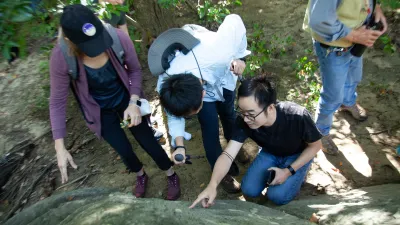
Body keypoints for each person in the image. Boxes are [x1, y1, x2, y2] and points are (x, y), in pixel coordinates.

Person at [49, 4, 180, 200]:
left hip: (126, 99)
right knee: (123, 150)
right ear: (70, 41)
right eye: (89, 45)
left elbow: (135, 70)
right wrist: (59, 146)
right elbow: (58, 101)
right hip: (99, 110)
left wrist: (134, 101)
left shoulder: (117, 37)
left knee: (147, 140)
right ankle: (140, 174)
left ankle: (171, 173)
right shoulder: (61, 57)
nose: (97, 48)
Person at [148, 14, 250, 193]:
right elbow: (174, 116)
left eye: (194, 111)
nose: (191, 116)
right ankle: (222, 173)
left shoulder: (219, 52)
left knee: (228, 115)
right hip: (199, 80)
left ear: (202, 94)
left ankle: (235, 146)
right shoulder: (167, 83)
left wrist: (241, 58)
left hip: (224, 76)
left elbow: (234, 20)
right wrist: (179, 145)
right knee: (209, 127)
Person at [190, 76, 322, 207]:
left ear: (270, 108)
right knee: (248, 189)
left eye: (251, 114)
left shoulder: (296, 116)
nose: (246, 119)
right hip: (270, 152)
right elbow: (227, 155)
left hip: (297, 154)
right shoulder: (244, 121)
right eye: (242, 112)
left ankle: (299, 174)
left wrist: (288, 171)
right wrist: (212, 185)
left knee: (276, 196)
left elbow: (315, 146)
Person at [303, 0, 387, 154]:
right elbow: (318, 20)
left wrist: (376, 7)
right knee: (333, 94)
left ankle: (347, 102)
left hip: (355, 40)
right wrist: (354, 35)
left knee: (354, 76)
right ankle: (320, 131)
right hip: (334, 46)